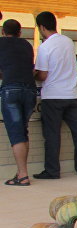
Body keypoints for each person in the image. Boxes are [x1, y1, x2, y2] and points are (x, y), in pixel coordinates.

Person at [33, 11, 77, 179]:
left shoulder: (45, 47)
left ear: (42, 27)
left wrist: (33, 74)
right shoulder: (68, 42)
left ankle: (52, 170)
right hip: (71, 95)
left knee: (52, 135)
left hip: (52, 96)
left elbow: (43, 75)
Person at [0, 19, 37, 186]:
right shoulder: (27, 45)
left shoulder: (1, 43)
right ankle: (21, 172)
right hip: (30, 90)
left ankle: (22, 175)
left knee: (16, 134)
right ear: (20, 32)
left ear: (3, 32)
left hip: (11, 89)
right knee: (23, 131)